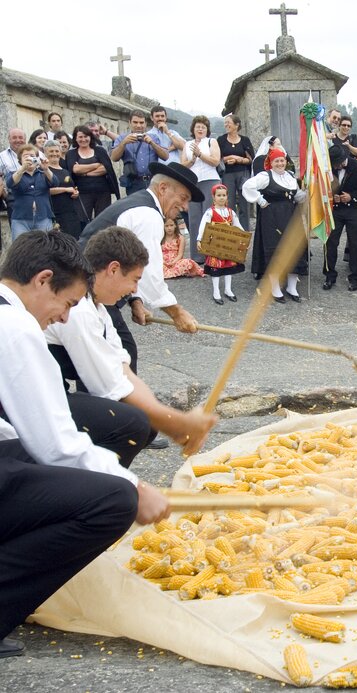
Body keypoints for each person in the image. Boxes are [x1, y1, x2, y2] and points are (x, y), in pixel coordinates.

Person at [0, 230, 170, 657]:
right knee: (110, 501)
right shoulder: (15, 327)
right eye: (67, 304)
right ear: (42, 280)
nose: (62, 317)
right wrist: (133, 486)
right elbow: (54, 443)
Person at [46, 225, 217, 457]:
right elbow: (107, 385)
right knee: (130, 422)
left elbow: (122, 369)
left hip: (53, 393)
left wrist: (169, 420)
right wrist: (176, 423)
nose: (134, 290)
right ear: (113, 269)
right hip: (36, 402)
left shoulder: (100, 310)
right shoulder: (79, 310)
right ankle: (98, 485)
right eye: (135, 280)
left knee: (145, 425)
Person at [80, 161, 202, 362]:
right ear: (163, 188)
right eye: (183, 198)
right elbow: (149, 273)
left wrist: (134, 300)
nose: (186, 207)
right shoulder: (148, 215)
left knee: (111, 355)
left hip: (93, 291)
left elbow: (130, 265)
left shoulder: (141, 205)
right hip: (86, 293)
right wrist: (176, 312)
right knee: (119, 357)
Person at [242, 148, 308, 302]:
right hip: (272, 217)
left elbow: (296, 196)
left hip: (291, 215)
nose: (280, 163)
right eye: (276, 161)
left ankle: (292, 287)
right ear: (271, 163)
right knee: (275, 250)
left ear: (286, 162)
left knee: (294, 250)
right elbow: (247, 186)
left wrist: (308, 192)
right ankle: (275, 287)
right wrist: (260, 200)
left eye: (282, 160)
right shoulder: (265, 176)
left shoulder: (290, 177)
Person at [323, 144, 357, 292]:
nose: (336, 166)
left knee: (356, 244)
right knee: (330, 242)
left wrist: (351, 197)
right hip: (335, 211)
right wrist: (332, 197)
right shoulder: (329, 168)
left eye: (338, 163)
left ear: (344, 158)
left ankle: (356, 277)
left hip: (354, 210)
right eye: (334, 164)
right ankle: (329, 275)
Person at [182, 116, 222, 263]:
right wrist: (192, 160)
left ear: (207, 130)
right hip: (192, 183)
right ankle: (197, 256)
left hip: (210, 181)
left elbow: (215, 161)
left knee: (211, 218)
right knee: (194, 220)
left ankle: (213, 255)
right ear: (193, 129)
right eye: (198, 126)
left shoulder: (212, 142)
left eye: (203, 127)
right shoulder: (187, 144)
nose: (200, 129)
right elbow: (182, 165)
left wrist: (200, 154)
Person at [198, 183, 246, 304]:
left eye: (224, 195)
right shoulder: (210, 212)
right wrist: (199, 240)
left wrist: (245, 238)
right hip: (215, 244)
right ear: (214, 197)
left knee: (228, 267)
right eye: (218, 195)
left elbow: (238, 225)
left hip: (228, 244)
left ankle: (228, 289)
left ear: (227, 197)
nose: (221, 197)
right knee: (216, 267)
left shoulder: (231, 212)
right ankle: (216, 291)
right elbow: (203, 227)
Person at [66, 125, 119, 223]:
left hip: (102, 192)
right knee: (83, 221)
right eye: (80, 137)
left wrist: (85, 173)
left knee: (103, 222)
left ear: (90, 137)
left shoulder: (100, 151)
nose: (83, 139)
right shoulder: (71, 153)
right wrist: (96, 165)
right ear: (75, 138)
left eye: (86, 136)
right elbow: (75, 169)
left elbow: (105, 168)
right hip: (83, 193)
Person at [110, 110, 168, 195]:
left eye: (141, 123)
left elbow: (165, 156)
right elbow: (114, 158)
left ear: (145, 124)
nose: (138, 125)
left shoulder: (154, 138)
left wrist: (152, 143)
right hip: (133, 183)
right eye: (135, 122)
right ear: (129, 123)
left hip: (152, 181)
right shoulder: (122, 138)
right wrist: (124, 143)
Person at [4, 145, 54, 237]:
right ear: (20, 160)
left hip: (43, 217)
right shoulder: (13, 174)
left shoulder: (43, 174)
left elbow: (55, 182)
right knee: (20, 248)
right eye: (26, 156)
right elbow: (10, 183)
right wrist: (23, 168)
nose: (30, 158)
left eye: (32, 155)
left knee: (45, 247)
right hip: (21, 219)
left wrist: (46, 169)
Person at [217, 114, 255, 232]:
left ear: (237, 125)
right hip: (227, 174)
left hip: (243, 174)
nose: (226, 125)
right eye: (225, 122)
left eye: (228, 122)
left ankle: (244, 232)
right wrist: (228, 158)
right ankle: (231, 232)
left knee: (244, 204)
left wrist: (238, 159)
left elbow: (251, 159)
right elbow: (217, 158)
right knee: (229, 204)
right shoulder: (221, 140)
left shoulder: (245, 140)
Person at [43, 140, 82, 239]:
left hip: (71, 212)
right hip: (55, 213)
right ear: (45, 153)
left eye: (57, 151)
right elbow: (45, 191)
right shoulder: (44, 171)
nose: (54, 154)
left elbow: (72, 187)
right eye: (51, 151)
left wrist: (75, 192)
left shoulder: (65, 171)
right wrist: (65, 189)